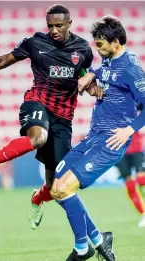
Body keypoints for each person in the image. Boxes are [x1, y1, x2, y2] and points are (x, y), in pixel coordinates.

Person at [0, 4, 103, 228]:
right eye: (50, 26)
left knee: (56, 187)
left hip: (63, 118)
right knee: (38, 138)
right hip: (37, 102)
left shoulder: (82, 48)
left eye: (59, 26)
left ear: (69, 24)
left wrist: (93, 87)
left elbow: (84, 74)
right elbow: (4, 60)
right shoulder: (35, 43)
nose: (54, 30)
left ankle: (37, 199)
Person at [48, 15, 145, 261]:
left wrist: (129, 130)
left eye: (101, 44)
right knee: (56, 186)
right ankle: (100, 239)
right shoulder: (108, 60)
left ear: (115, 42)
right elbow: (102, 72)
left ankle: (83, 248)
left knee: (65, 188)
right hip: (93, 135)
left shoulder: (132, 69)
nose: (97, 49)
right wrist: (90, 75)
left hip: (111, 141)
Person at [116, 104, 145, 228]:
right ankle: (143, 214)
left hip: (136, 148)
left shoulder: (133, 99)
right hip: (119, 150)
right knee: (130, 184)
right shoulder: (109, 105)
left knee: (141, 179)